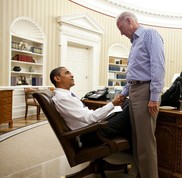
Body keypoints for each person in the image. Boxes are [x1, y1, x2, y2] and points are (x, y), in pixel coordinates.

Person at [116, 11, 165, 178]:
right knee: (136, 140)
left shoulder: (150, 35)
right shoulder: (134, 43)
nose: (121, 33)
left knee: (145, 143)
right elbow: (133, 74)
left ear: (129, 21)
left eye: (121, 28)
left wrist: (154, 97)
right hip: (134, 92)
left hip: (146, 91)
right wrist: (123, 93)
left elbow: (157, 67)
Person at [50, 67, 131, 147]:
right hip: (90, 134)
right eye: (67, 73)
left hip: (92, 128)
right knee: (130, 106)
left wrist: (111, 108)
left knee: (126, 104)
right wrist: (112, 104)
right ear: (57, 78)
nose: (72, 75)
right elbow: (90, 118)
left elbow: (87, 114)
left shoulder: (66, 94)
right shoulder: (62, 98)